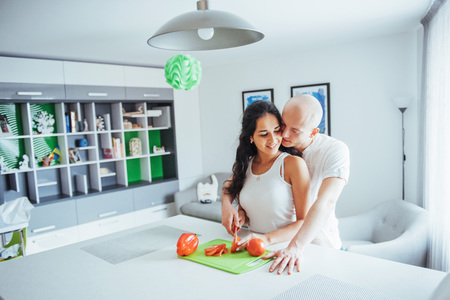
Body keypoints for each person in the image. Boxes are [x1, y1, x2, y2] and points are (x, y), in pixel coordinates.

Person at [221, 94, 350, 275]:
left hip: (319, 244)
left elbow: (325, 202)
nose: (283, 135)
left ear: (313, 132)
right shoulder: (274, 147)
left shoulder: (334, 151)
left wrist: (294, 247)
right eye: (283, 125)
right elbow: (238, 182)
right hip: (273, 246)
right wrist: (231, 207)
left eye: (295, 130)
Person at [222, 100, 310, 248]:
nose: (273, 139)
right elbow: (228, 186)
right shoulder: (245, 164)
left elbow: (305, 223)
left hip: (286, 249)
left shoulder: (293, 165)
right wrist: (228, 207)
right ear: (251, 137)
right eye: (264, 134)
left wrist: (266, 239)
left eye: (276, 131)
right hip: (252, 247)